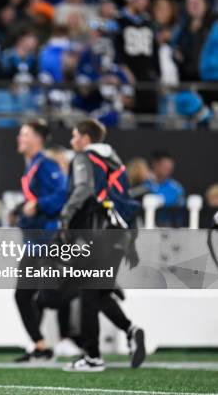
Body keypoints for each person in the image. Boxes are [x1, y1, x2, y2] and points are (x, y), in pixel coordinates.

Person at [60, 119, 145, 372]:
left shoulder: (84, 158)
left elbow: (84, 189)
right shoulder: (115, 162)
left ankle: (93, 357)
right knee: (99, 293)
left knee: (88, 294)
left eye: (75, 136)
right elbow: (123, 201)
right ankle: (131, 330)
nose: (72, 141)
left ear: (86, 138)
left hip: (96, 234)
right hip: (120, 236)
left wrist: (65, 215)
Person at [12, 118, 69, 362]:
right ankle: (41, 345)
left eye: (24, 134)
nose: (19, 138)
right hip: (35, 240)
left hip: (48, 240)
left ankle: (70, 337)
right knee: (27, 295)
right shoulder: (32, 165)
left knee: (44, 295)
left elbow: (62, 194)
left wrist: (38, 205)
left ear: (38, 138)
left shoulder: (46, 165)